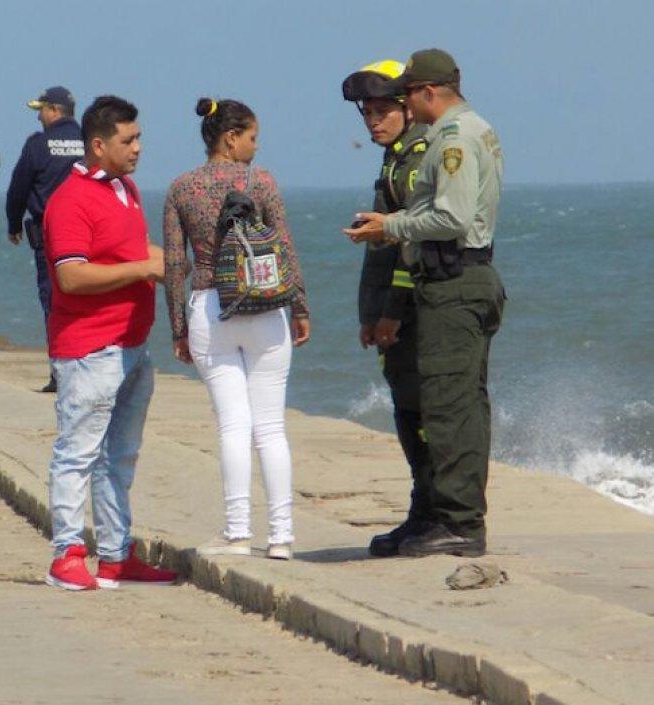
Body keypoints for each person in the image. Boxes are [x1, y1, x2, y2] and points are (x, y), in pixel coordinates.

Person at [344, 48, 505, 558]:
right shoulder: (439, 141)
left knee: (448, 409)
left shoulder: (449, 140)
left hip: (451, 281)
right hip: (445, 280)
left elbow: (448, 220)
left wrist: (389, 229)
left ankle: (457, 521)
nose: (400, 108)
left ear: (427, 93)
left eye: (403, 97)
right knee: (434, 408)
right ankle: (432, 514)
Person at [162, 98, 310, 561]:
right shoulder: (260, 180)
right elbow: (283, 245)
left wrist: (178, 328)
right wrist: (300, 305)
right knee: (271, 427)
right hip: (265, 308)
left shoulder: (181, 188)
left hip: (210, 309)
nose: (256, 144)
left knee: (232, 425)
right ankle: (282, 537)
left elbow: (173, 264)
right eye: (251, 136)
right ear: (231, 137)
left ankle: (237, 531)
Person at [42, 95, 178, 591]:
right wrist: (144, 269)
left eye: (138, 137)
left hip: (133, 345)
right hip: (89, 348)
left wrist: (178, 264)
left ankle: (118, 554)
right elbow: (72, 277)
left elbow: (131, 249)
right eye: (128, 140)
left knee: (120, 455)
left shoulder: (125, 188)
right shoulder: (70, 199)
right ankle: (67, 553)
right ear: (98, 145)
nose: (139, 147)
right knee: (77, 453)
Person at [341, 60, 433, 557]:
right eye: (368, 114)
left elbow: (406, 249)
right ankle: (420, 513)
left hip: (417, 314)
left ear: (407, 107)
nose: (373, 121)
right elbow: (379, 250)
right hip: (391, 316)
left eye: (383, 111)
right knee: (406, 413)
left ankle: (433, 515)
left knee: (423, 415)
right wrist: (367, 314)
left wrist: (391, 313)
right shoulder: (393, 158)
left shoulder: (417, 158)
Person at [5, 86, 83, 392]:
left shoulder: (38, 144)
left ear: (54, 111)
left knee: (53, 299)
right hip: (87, 233)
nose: (38, 116)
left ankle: (61, 372)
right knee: (87, 299)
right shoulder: (89, 140)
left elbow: (19, 186)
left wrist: (13, 224)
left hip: (50, 235)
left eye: (41, 110)